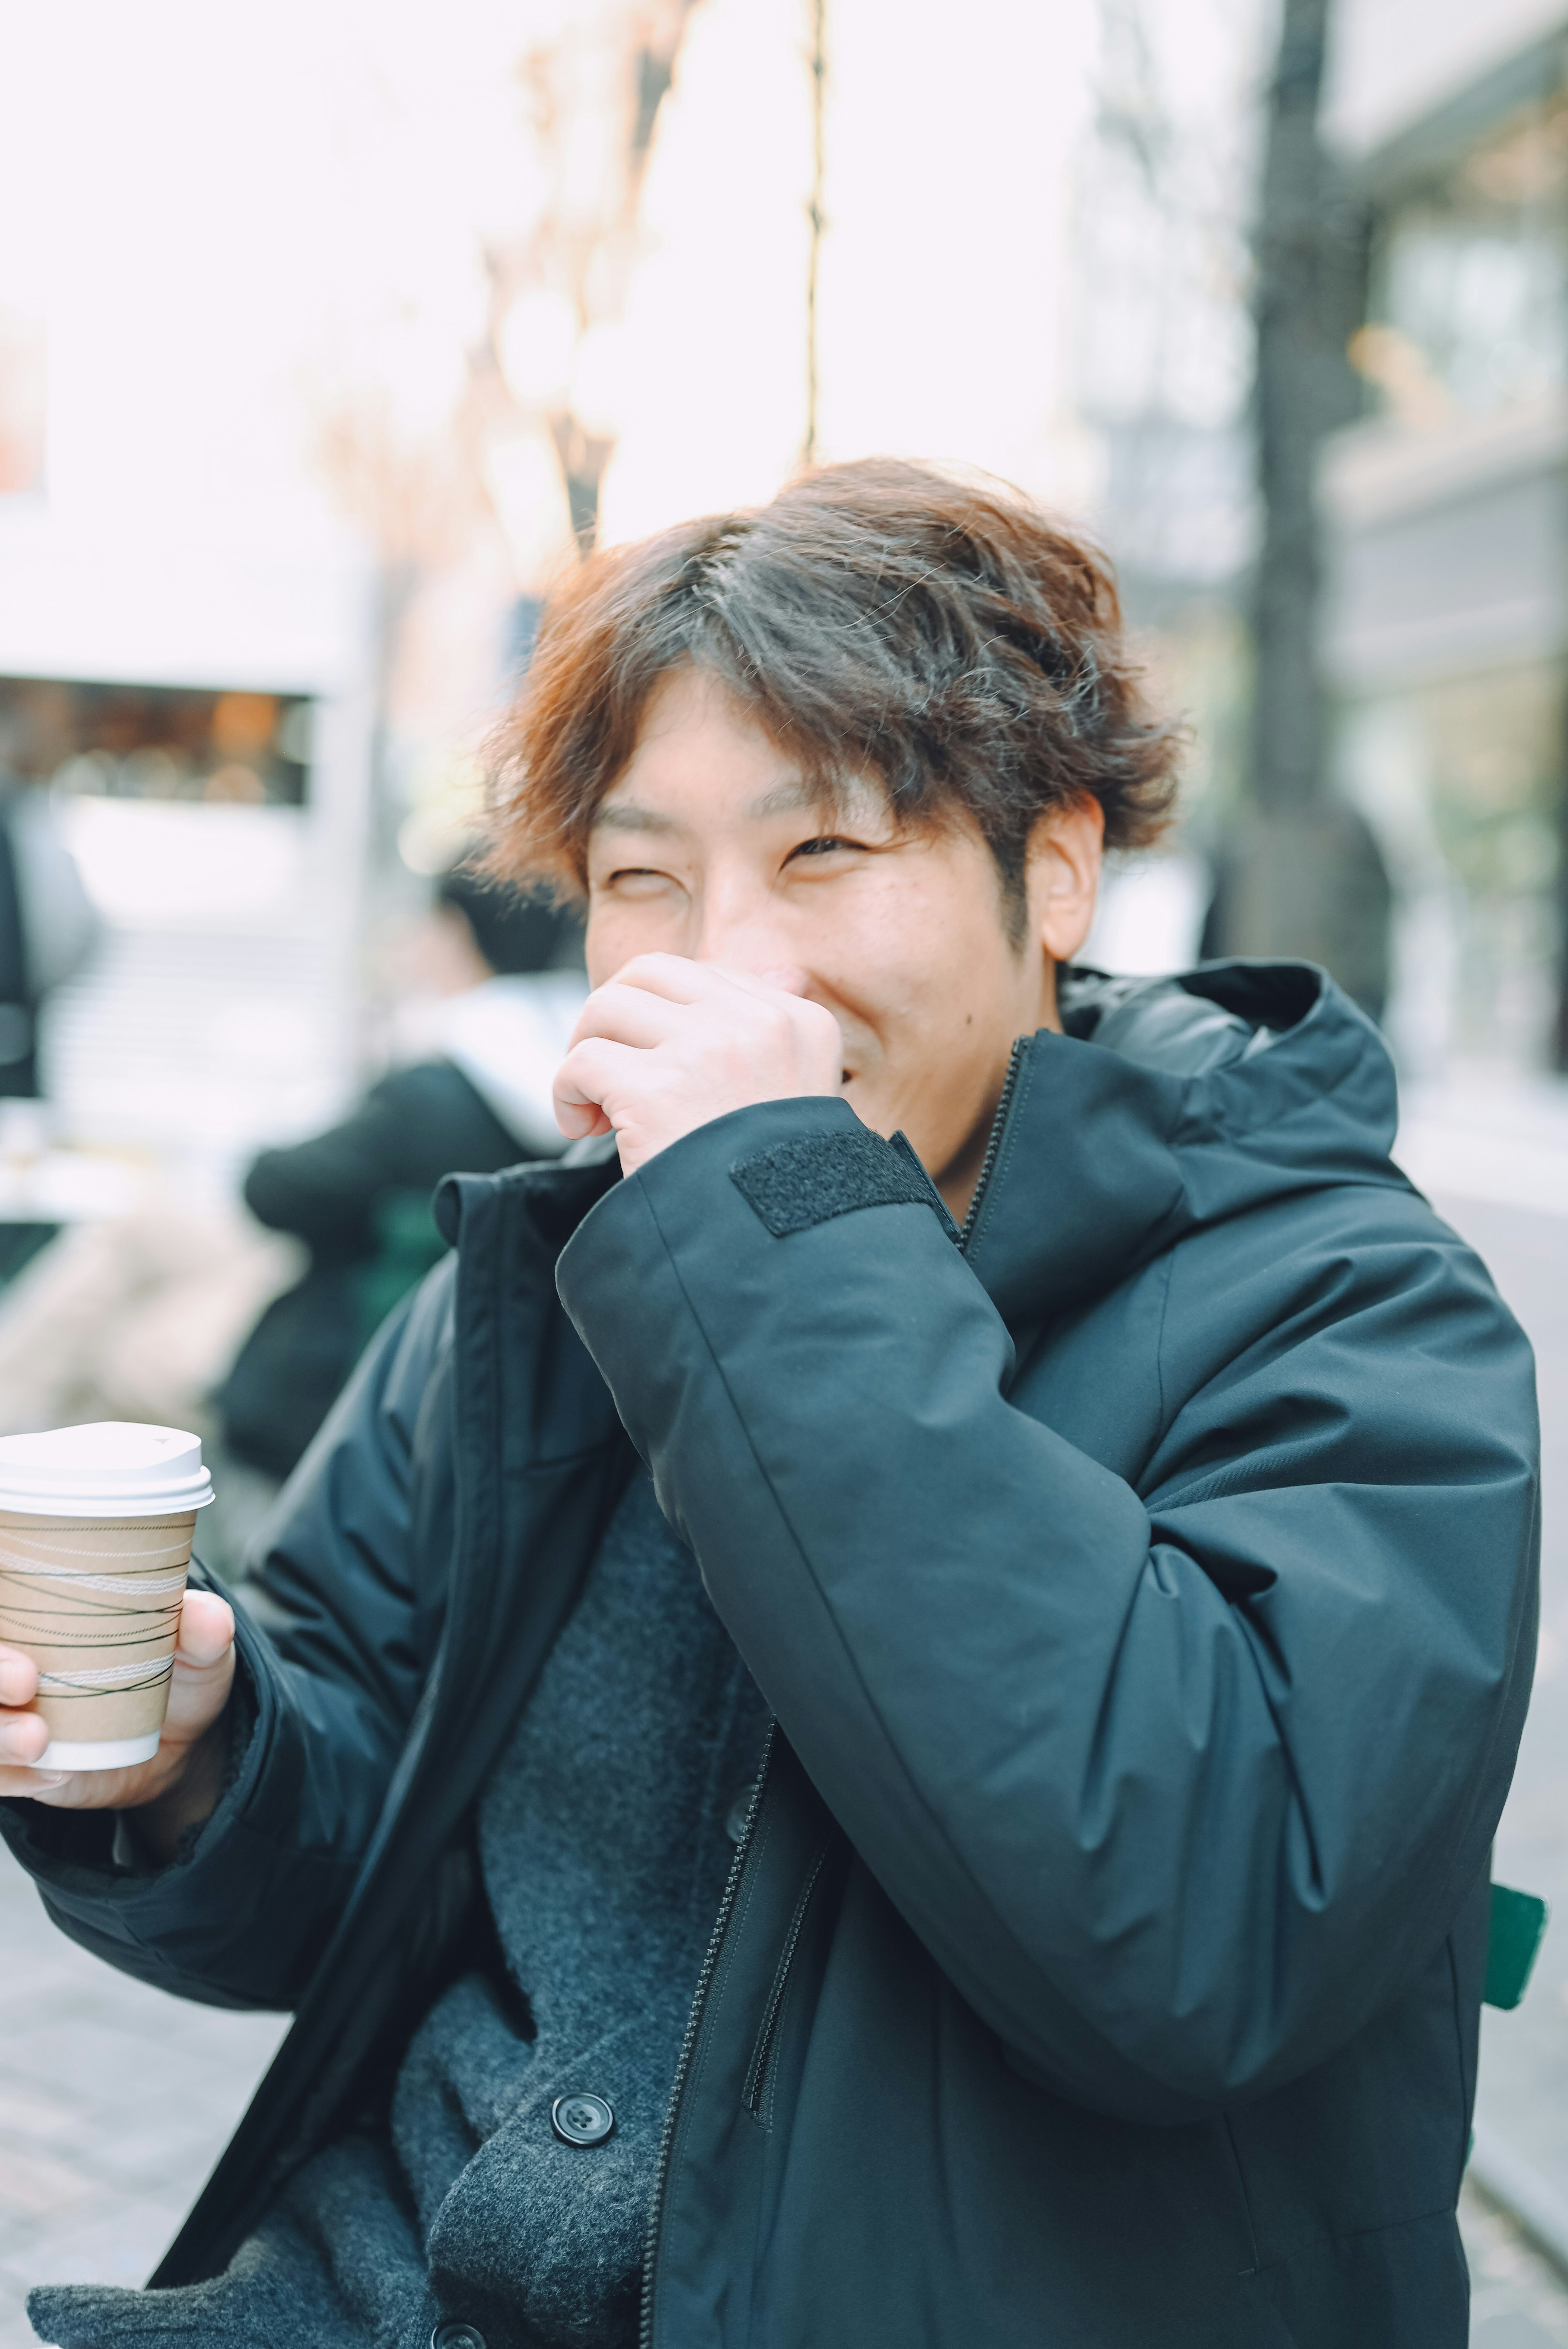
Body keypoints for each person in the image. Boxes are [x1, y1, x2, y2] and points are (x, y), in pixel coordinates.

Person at [0, 461, 1539, 2349]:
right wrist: (195, 1755)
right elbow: (352, 1854)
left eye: (822, 851)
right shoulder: (557, 1279)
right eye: (643, 877)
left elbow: (1193, 1931)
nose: (724, 957)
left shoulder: (1349, 1306)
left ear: (1053, 866)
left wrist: (777, 1227)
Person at [218, 867, 586, 1482]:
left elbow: (271, 1189)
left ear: (456, 931)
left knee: (124, 1310)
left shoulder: (442, 1083)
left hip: (340, 1352)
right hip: (491, 1367)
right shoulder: (589, 1073)